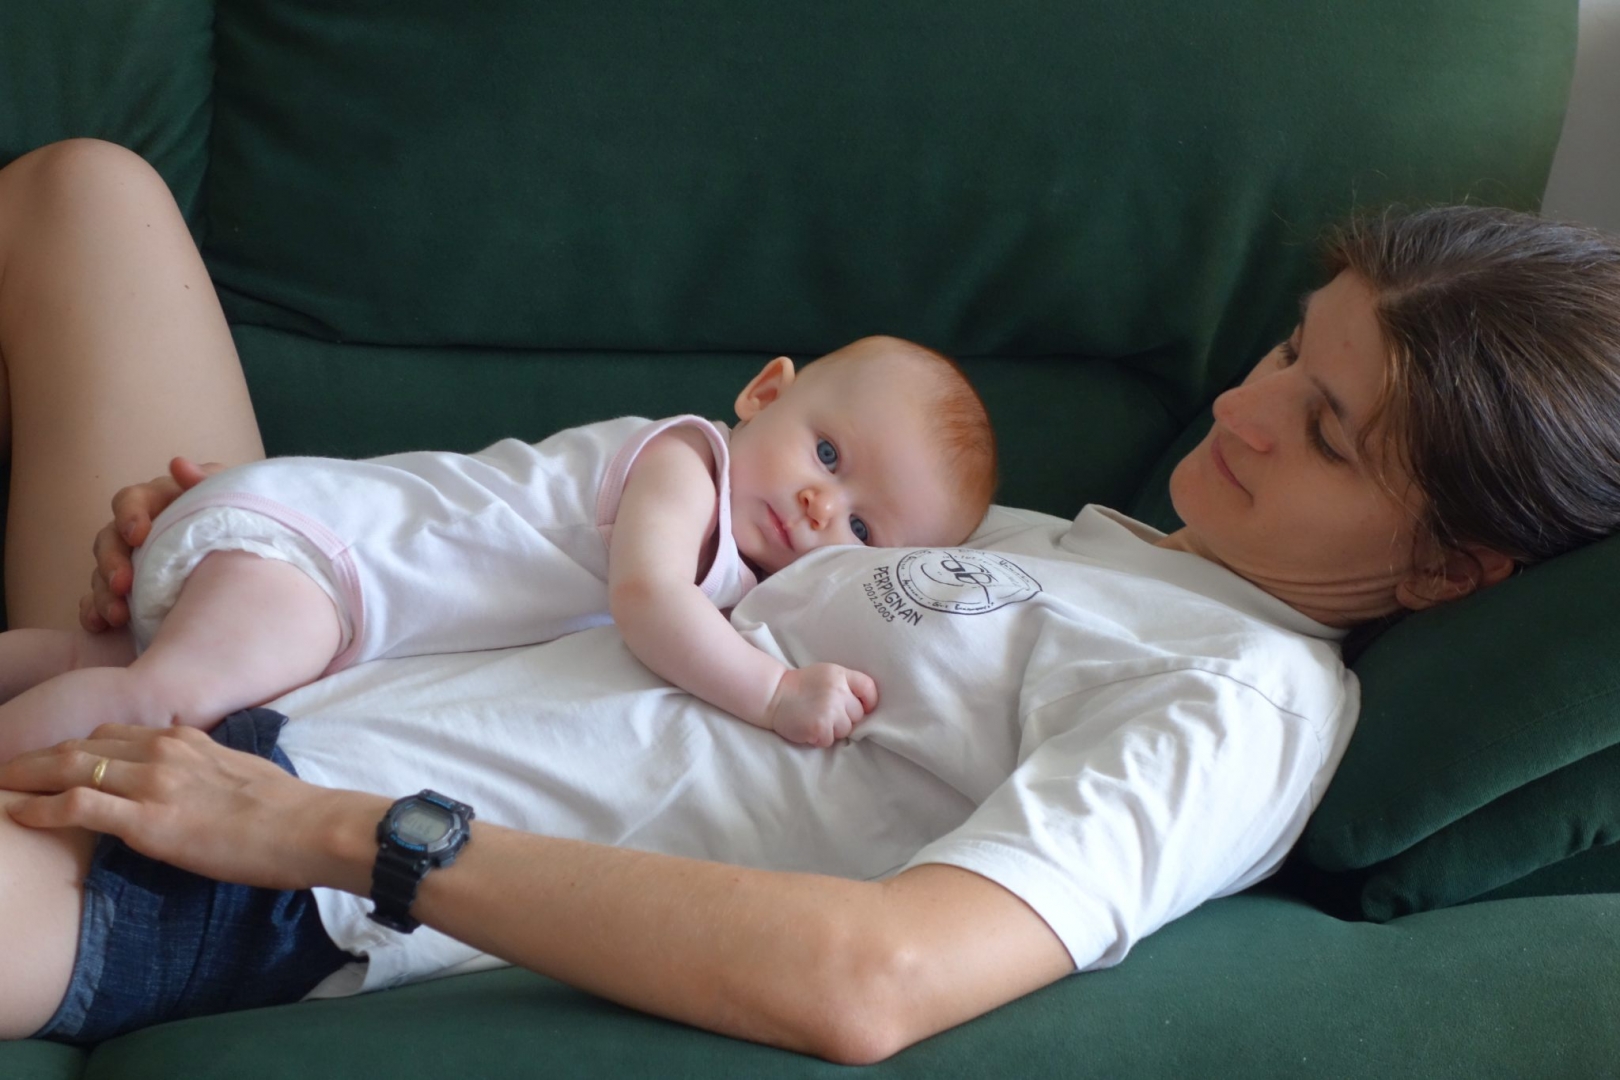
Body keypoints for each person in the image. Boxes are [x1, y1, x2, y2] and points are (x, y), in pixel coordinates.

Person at [1, 138, 1618, 1062]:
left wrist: (337, 835)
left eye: (1324, 432)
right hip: (295, 657)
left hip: (270, 862)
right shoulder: (1072, 542)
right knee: (87, 192)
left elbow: (876, 978)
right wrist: (268, 541)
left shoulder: (1241, 701)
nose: (1245, 408)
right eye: (1285, 349)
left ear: (1450, 567)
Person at [0, 332, 995, 758]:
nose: (820, 506)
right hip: (330, 563)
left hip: (324, 561)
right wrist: (773, 694)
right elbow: (649, 602)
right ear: (764, 393)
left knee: (92, 660)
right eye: (828, 453)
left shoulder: (750, 567)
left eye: (861, 526)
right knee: (162, 704)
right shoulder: (687, 464)